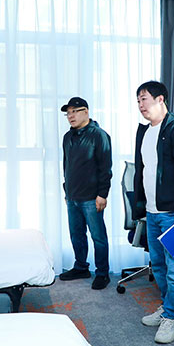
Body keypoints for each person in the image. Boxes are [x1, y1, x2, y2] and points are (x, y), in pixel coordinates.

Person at [133, 81, 174, 344]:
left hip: (173, 213)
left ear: (160, 99)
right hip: (152, 212)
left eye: (144, 99)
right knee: (158, 265)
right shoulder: (144, 131)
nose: (140, 105)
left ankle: (172, 317)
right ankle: (169, 308)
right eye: (138, 100)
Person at [58, 97, 113, 290]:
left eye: (75, 111)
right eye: (68, 113)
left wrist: (102, 194)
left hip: (92, 197)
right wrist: (66, 190)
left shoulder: (99, 135)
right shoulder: (67, 137)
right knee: (76, 235)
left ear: (86, 112)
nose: (70, 116)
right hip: (72, 196)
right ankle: (81, 267)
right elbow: (66, 166)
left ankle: (102, 273)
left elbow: (105, 168)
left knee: (98, 237)